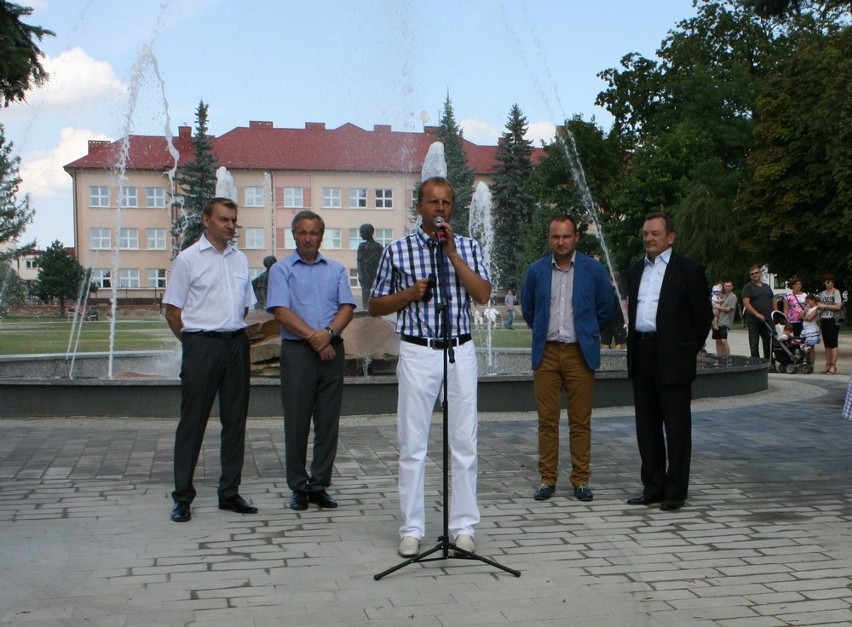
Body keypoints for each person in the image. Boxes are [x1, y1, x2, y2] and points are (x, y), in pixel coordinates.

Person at [368, 176, 491, 558]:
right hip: (420, 352)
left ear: (453, 208)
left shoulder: (468, 247)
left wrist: (453, 254)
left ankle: (464, 526)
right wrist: (409, 295)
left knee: (464, 441)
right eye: (432, 202)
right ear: (419, 207)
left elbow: (484, 294)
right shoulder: (398, 250)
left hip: (460, 350)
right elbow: (375, 305)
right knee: (413, 443)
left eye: (446, 203)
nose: (440, 209)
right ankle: (412, 527)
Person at [163, 197, 259, 523]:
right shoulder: (188, 260)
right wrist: (193, 343)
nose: (230, 225)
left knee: (235, 422)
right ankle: (182, 497)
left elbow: (244, 307)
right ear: (206, 220)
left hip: (235, 346)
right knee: (193, 422)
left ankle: (229, 493)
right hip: (202, 345)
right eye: (223, 219)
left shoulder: (241, 260)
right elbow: (173, 311)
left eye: (233, 220)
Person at [267, 211, 356, 511]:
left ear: (321, 235)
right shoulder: (281, 270)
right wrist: (315, 339)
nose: (308, 238)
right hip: (298, 353)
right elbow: (281, 311)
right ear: (294, 234)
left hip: (332, 350)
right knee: (297, 421)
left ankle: (319, 484)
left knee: (328, 422)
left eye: (314, 232)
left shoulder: (336, 269)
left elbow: (347, 307)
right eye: (302, 232)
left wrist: (328, 335)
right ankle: (298, 486)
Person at [521, 215, 612, 503]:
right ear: (549, 238)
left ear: (576, 238)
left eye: (566, 236)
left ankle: (581, 480)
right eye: (555, 236)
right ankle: (547, 479)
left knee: (580, 421)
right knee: (547, 421)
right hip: (547, 353)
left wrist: (587, 331)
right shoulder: (536, 271)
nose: (561, 241)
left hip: (579, 353)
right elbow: (529, 308)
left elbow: (605, 307)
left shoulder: (593, 270)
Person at [625, 212, 712, 512]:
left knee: (676, 428)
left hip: (673, 356)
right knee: (646, 427)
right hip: (642, 352)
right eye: (646, 233)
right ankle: (652, 487)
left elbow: (703, 317)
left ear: (670, 236)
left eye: (655, 233)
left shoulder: (687, 269)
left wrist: (688, 349)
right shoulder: (636, 270)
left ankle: (675, 491)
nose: (649, 238)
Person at [741, 265, 775, 371]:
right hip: (753, 320)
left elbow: (773, 300)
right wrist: (756, 314)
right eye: (752, 274)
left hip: (768, 319)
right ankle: (755, 364)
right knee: (754, 343)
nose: (755, 275)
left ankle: (769, 364)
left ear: (760, 273)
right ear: (750, 276)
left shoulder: (766, 286)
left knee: (768, 342)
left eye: (756, 273)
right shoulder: (748, 287)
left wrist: (776, 313)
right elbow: (746, 303)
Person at [817, 273, 843, 374]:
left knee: (833, 343)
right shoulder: (823, 293)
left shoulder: (836, 292)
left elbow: (838, 306)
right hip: (824, 319)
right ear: (825, 282)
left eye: (832, 282)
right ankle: (827, 364)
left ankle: (833, 365)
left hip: (833, 319)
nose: (830, 283)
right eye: (828, 282)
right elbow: (820, 305)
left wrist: (825, 306)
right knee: (827, 344)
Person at [356, 223, 384, 309]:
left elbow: (382, 263)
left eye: (362, 232)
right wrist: (360, 274)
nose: (361, 235)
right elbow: (359, 262)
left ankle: (375, 308)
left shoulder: (379, 247)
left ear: (369, 232)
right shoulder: (362, 246)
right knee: (366, 291)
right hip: (365, 274)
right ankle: (366, 308)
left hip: (375, 273)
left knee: (375, 291)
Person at [600, 272, 627, 350]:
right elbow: (624, 304)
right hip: (618, 319)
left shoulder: (604, 290)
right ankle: (616, 361)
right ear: (620, 280)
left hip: (606, 319)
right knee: (619, 341)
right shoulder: (620, 290)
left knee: (605, 341)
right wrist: (627, 317)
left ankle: (607, 361)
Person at [712, 280, 738, 357]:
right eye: (726, 286)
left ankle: (727, 357)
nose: (727, 288)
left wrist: (717, 307)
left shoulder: (733, 297)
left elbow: (728, 309)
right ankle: (719, 357)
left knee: (723, 340)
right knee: (718, 340)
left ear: (732, 287)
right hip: (717, 321)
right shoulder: (721, 295)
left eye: (729, 286)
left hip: (725, 322)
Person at [800, 294, 820, 365]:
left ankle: (811, 364)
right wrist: (805, 310)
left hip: (812, 329)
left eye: (808, 301)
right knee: (805, 346)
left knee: (811, 348)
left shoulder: (816, 308)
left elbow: (810, 319)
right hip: (806, 330)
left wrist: (803, 318)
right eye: (806, 302)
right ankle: (805, 362)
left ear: (813, 300)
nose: (807, 303)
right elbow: (799, 316)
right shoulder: (807, 308)